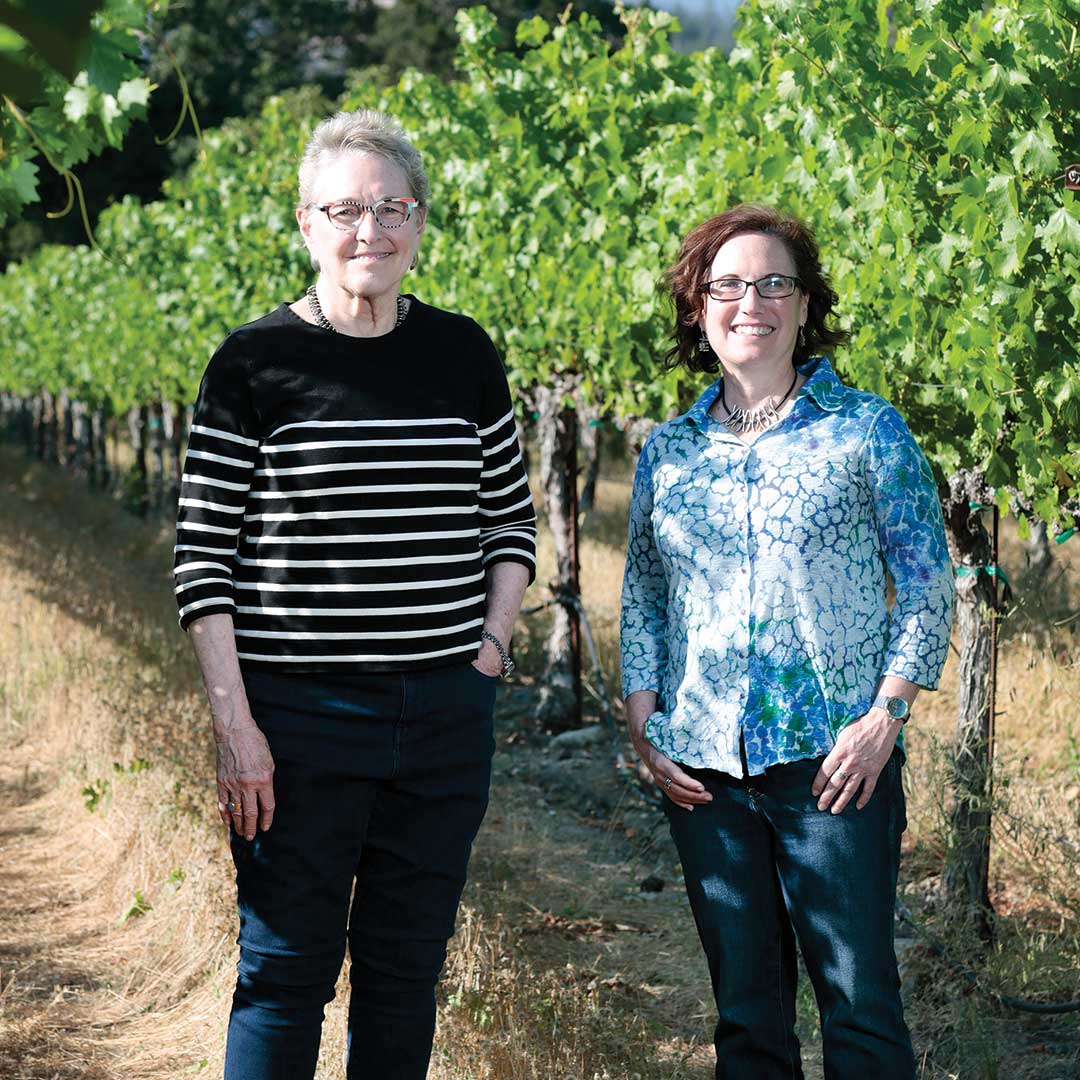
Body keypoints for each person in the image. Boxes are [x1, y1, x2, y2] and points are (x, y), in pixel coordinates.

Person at [173, 109, 536, 1080]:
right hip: (299, 720)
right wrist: (237, 726)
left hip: (442, 718)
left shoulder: (463, 354)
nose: (368, 229)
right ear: (306, 223)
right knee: (284, 973)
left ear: (418, 223)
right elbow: (203, 560)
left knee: (404, 974)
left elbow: (510, 523)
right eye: (344, 209)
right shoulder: (253, 364)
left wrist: (489, 652)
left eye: (391, 208)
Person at [620, 203, 954, 1078]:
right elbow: (645, 592)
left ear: (805, 306)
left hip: (834, 765)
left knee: (860, 1008)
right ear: (699, 307)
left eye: (775, 284)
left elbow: (927, 583)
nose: (752, 303)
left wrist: (886, 718)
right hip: (703, 773)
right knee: (746, 1017)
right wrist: (644, 723)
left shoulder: (866, 430)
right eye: (728, 285)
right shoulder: (669, 452)